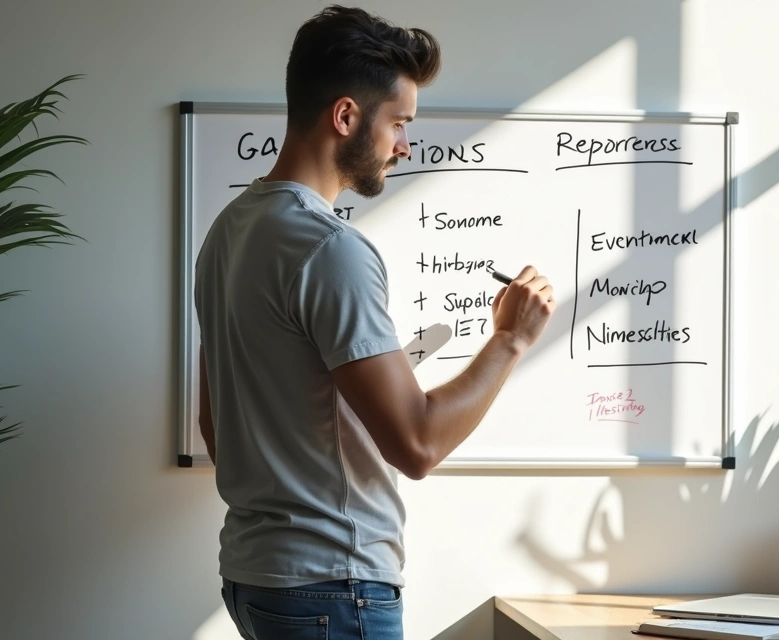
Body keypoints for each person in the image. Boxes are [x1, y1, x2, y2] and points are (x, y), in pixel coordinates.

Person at [193, 6, 555, 640]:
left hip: (254, 578)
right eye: (399, 123)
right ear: (345, 117)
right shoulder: (329, 247)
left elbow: (216, 425)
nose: (405, 145)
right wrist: (510, 339)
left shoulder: (227, 232)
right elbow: (417, 445)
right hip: (333, 586)